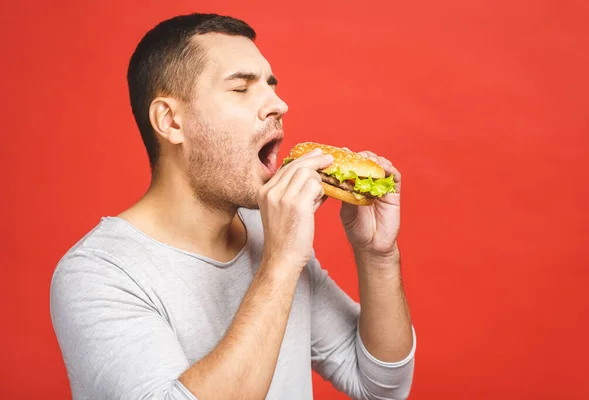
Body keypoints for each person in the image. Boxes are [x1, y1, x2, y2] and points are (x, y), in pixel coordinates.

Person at [49, 13, 416, 400]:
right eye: (241, 89)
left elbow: (381, 386)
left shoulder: (265, 234)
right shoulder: (99, 273)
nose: (279, 105)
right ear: (170, 121)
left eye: (271, 87)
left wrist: (378, 256)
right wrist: (279, 264)